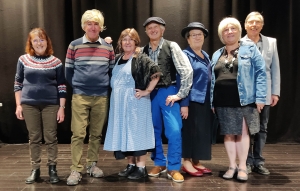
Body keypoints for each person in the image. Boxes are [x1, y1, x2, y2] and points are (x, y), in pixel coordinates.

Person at [210, 17, 267, 181]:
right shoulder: (216, 54)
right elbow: (213, 79)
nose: (229, 32)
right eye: (226, 30)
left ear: (239, 31)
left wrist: (261, 97)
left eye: (233, 28)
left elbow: (261, 73)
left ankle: (242, 166)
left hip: (244, 99)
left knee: (242, 133)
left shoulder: (250, 49)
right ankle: (231, 166)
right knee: (228, 134)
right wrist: (212, 101)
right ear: (222, 34)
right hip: (222, 100)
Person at [65, 9, 115, 186]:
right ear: (84, 26)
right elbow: (68, 72)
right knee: (78, 134)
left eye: (96, 24)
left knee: (96, 134)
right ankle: (76, 169)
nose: (93, 27)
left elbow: (111, 71)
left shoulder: (108, 47)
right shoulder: (74, 45)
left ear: (100, 27)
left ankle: (92, 165)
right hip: (80, 96)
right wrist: (79, 86)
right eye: (89, 23)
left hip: (101, 96)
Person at [104, 28, 161, 180]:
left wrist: (147, 91)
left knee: (137, 133)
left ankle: (141, 167)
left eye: (131, 39)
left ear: (136, 42)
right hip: (119, 103)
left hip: (136, 102)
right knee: (125, 133)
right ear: (120, 42)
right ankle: (131, 165)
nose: (127, 42)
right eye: (125, 39)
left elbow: (156, 73)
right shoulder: (117, 58)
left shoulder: (140, 57)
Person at [142, 17, 193, 183]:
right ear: (146, 31)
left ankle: (173, 167)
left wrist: (180, 94)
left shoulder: (171, 46)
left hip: (168, 91)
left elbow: (186, 71)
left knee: (174, 130)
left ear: (162, 29)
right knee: (154, 130)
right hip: (151, 94)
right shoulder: (144, 50)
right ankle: (159, 163)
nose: (153, 30)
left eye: (156, 27)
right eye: (149, 28)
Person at [14, 28, 66, 184]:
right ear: (31, 43)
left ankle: (52, 169)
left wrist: (62, 107)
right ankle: (35, 169)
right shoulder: (23, 60)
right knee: (34, 138)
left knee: (51, 137)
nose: (39, 43)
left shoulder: (56, 62)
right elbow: (18, 83)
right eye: (35, 40)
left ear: (47, 41)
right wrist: (18, 105)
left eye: (42, 39)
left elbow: (62, 86)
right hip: (29, 104)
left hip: (51, 104)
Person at [243, 12, 280, 175]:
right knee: (247, 129)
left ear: (262, 25)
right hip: (246, 94)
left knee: (262, 128)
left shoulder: (271, 42)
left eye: (258, 22)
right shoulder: (239, 42)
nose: (254, 25)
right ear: (245, 25)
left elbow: (275, 68)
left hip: (265, 93)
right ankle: (247, 161)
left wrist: (275, 92)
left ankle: (258, 160)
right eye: (251, 22)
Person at [179, 22, 212, 177]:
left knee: (200, 132)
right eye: (194, 35)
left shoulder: (205, 55)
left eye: (200, 34)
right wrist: (184, 104)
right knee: (189, 131)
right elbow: (182, 80)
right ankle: (186, 161)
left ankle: (196, 161)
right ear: (188, 39)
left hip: (204, 100)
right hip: (191, 100)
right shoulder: (185, 55)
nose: (197, 37)